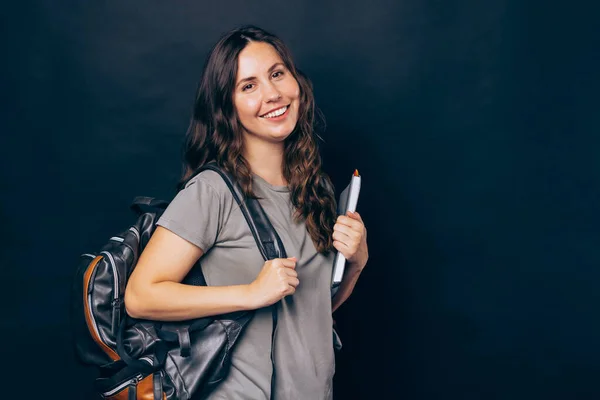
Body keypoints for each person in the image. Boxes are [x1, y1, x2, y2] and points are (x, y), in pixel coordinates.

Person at [124, 25, 369, 400]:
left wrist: (356, 262)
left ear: (295, 82)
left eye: (276, 74)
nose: (272, 94)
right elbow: (141, 296)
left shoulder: (315, 187)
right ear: (228, 107)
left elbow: (313, 310)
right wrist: (251, 293)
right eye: (248, 86)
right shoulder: (212, 191)